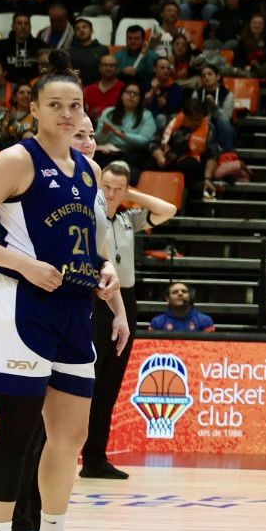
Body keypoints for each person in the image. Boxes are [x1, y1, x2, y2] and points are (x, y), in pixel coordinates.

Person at [0, 53, 129, 531]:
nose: (68, 114)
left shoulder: (89, 168)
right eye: (56, 105)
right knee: (18, 433)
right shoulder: (14, 161)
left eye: (75, 105)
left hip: (75, 309)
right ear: (34, 109)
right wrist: (22, 263)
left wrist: (108, 271)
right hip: (22, 307)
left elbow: (96, 241)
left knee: (70, 435)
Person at [83, 161, 176, 479]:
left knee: (110, 383)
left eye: (118, 188)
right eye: (106, 186)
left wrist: (131, 195)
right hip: (96, 300)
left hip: (126, 304)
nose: (111, 193)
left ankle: (95, 458)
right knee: (88, 381)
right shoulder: (89, 214)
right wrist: (105, 193)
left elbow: (169, 209)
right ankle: (70, 454)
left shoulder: (127, 218)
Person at [148, 282, 215, 332]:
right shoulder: (157, 322)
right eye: (175, 292)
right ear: (168, 299)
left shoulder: (205, 321)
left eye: (184, 291)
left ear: (190, 297)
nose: (180, 294)